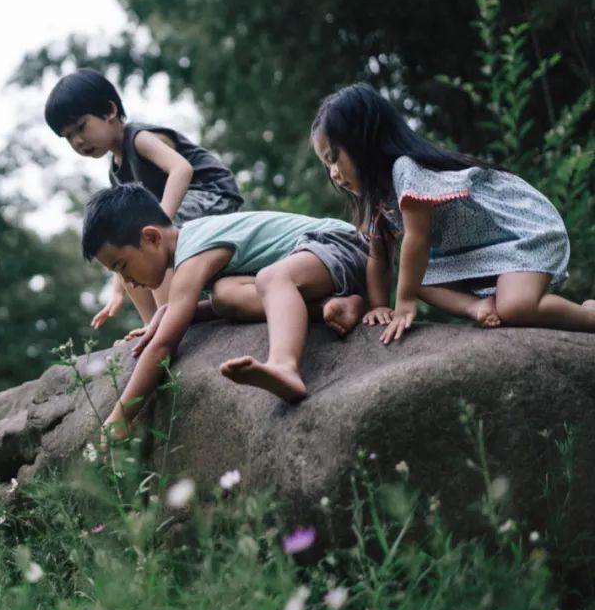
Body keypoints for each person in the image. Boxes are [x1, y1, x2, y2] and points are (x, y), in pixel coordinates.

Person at [310, 82, 595, 344]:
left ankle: (589, 316)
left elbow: (417, 238)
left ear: (363, 139)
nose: (333, 174)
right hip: (485, 249)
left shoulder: (406, 169)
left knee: (516, 308)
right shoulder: (378, 200)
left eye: (334, 158)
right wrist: (380, 306)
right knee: (415, 275)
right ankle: (477, 307)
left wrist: (404, 301)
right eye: (327, 166)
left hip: (521, 229)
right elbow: (379, 257)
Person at [81, 185, 368, 444]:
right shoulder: (193, 241)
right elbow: (196, 308)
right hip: (319, 267)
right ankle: (332, 306)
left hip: (337, 244)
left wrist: (120, 417)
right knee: (225, 295)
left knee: (271, 278)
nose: (128, 281)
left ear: (151, 238)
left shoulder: (193, 254)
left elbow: (164, 346)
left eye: (122, 266)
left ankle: (285, 366)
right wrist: (169, 313)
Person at [46, 68, 243, 331]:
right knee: (127, 240)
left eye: (81, 127)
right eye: (68, 136)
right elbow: (120, 237)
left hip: (212, 193)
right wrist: (117, 291)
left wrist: (162, 220)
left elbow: (181, 169)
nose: (78, 141)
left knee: (150, 241)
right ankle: (152, 324)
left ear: (109, 111)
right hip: (176, 211)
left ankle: (169, 318)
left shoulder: (139, 138)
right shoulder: (116, 171)